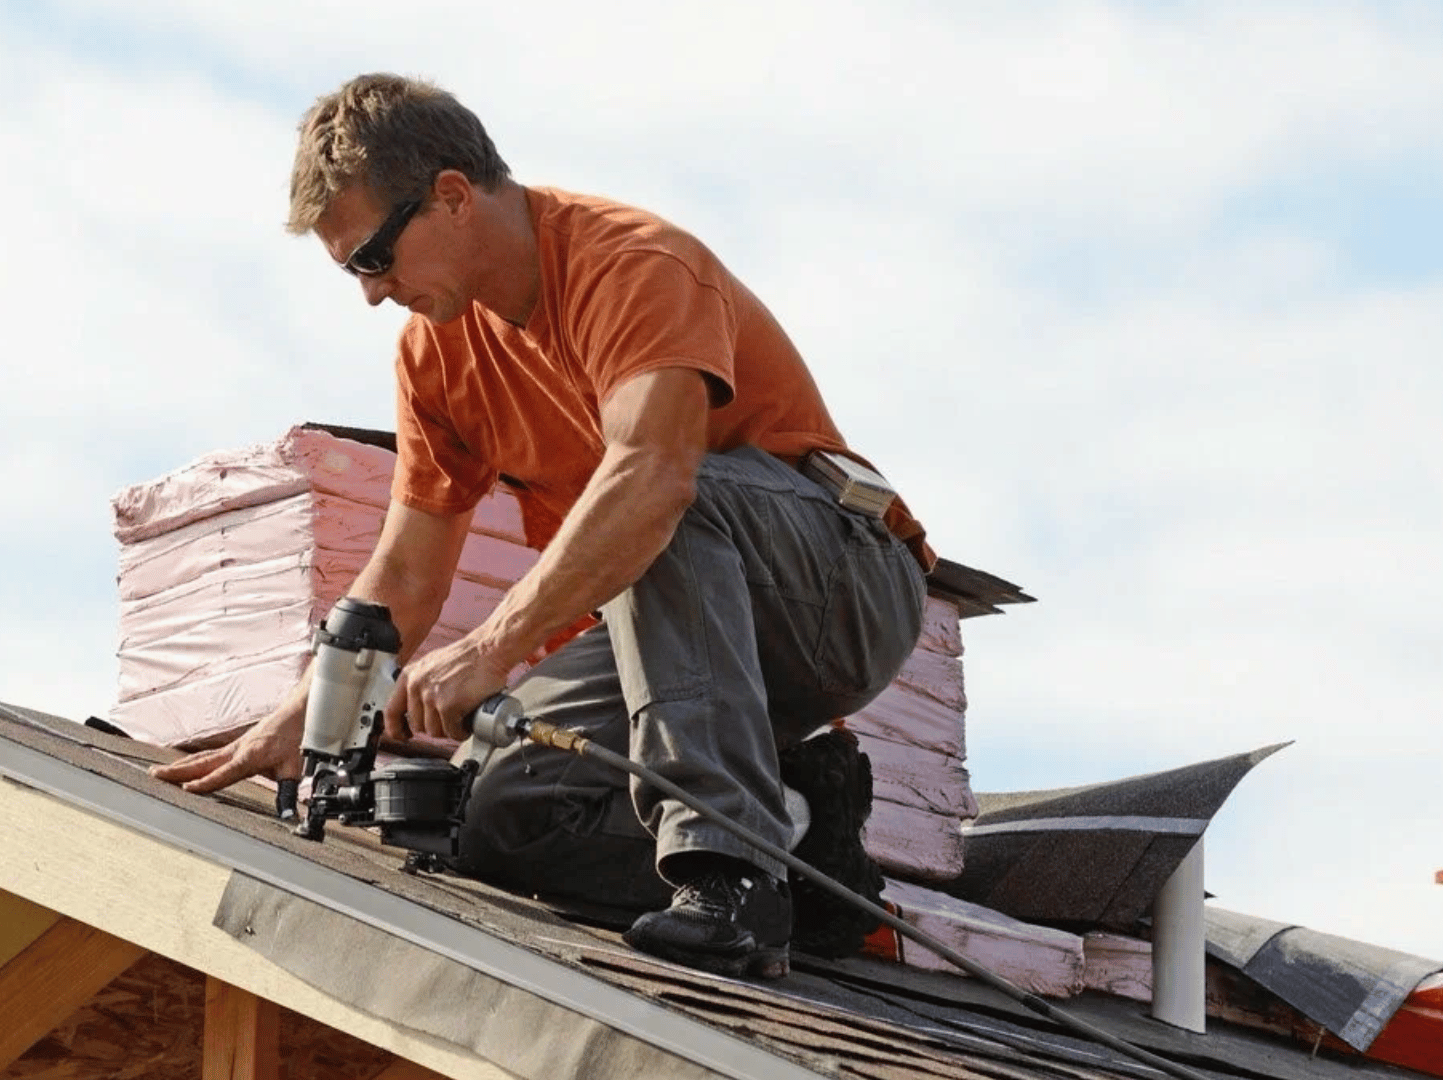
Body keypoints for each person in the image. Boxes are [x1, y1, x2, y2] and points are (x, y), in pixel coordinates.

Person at [153, 73, 935, 979]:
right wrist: (298, 722)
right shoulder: (434, 351)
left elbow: (653, 480)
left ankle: (734, 883)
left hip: (842, 591)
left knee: (655, 500)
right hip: (683, 631)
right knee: (505, 810)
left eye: (372, 257)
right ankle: (806, 845)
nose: (370, 293)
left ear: (451, 195)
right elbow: (405, 577)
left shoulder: (634, 262)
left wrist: (491, 649)